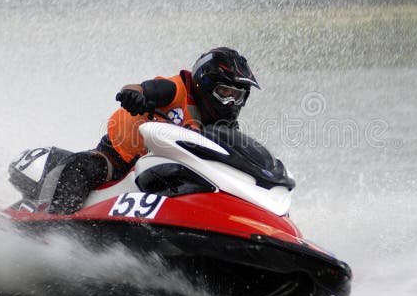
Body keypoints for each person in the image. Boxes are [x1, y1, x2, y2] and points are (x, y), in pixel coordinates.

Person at [43, 47, 260, 214]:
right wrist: (134, 96)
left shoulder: (226, 130)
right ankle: (55, 227)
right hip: (119, 159)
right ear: (204, 83)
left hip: (169, 173)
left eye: (237, 95)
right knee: (82, 166)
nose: (231, 102)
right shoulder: (176, 89)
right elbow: (137, 88)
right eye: (224, 92)